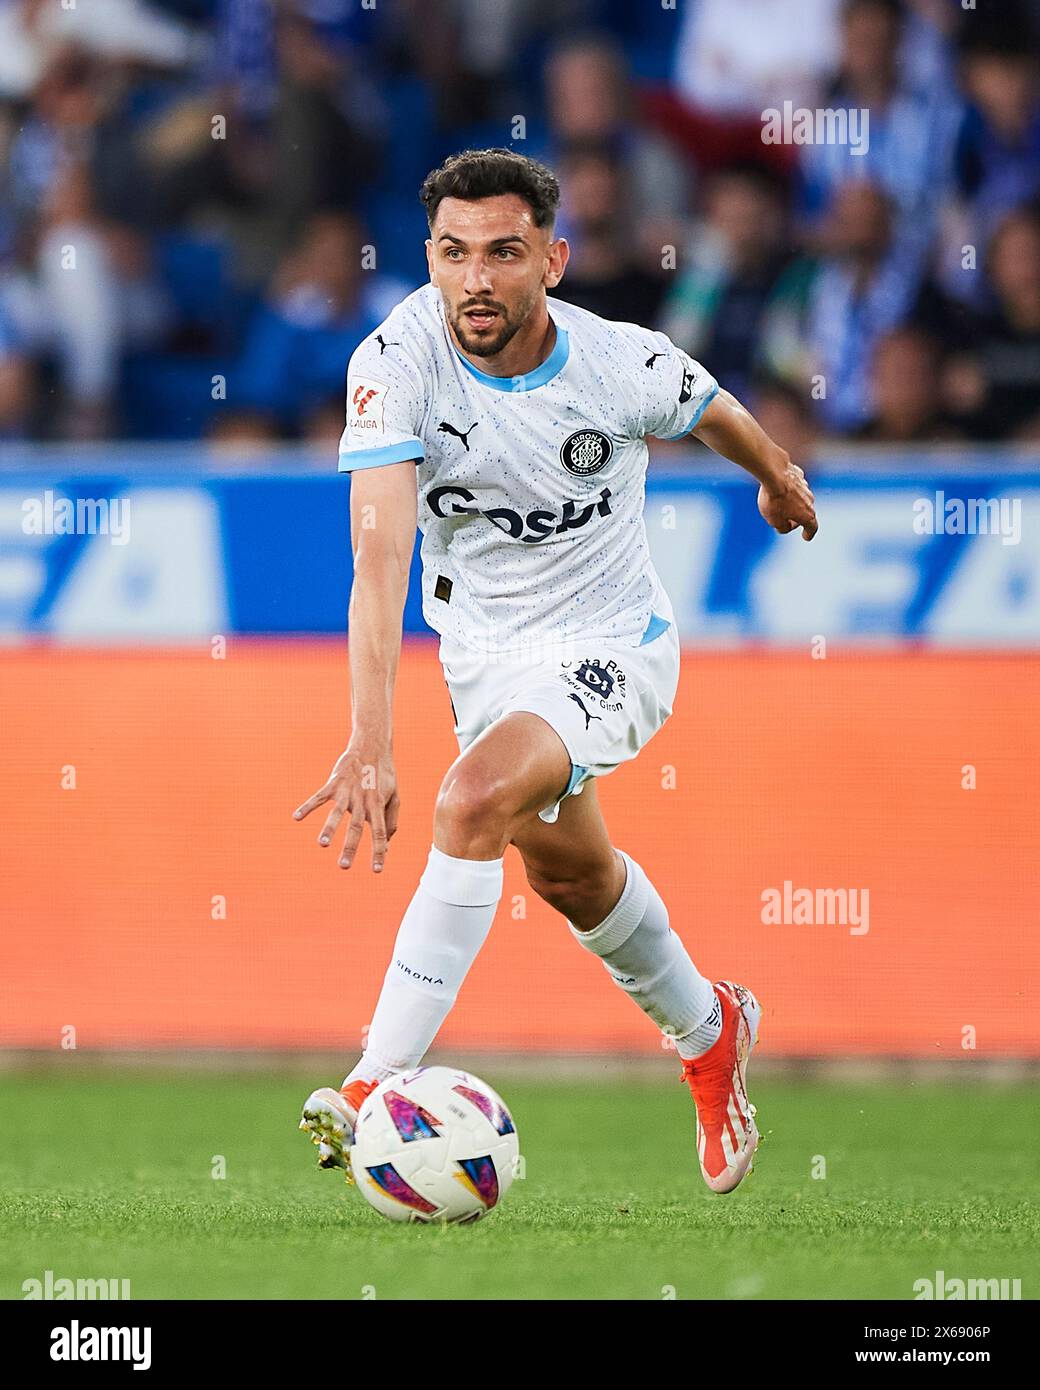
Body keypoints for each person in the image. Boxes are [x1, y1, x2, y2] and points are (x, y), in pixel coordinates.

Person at [294, 150, 817, 1200]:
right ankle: (709, 1030)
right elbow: (379, 558)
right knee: (573, 877)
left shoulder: (616, 361)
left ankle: (372, 1079)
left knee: (470, 801)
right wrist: (368, 738)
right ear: (428, 259)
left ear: (553, 260)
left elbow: (711, 408)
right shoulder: (392, 364)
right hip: (484, 661)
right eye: (453, 254)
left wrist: (778, 476)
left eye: (503, 253)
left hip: (612, 642)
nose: (475, 280)